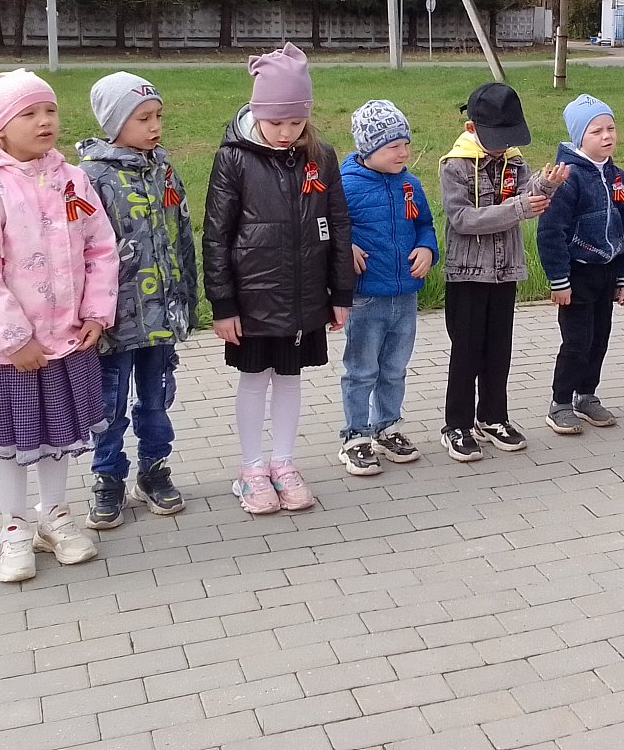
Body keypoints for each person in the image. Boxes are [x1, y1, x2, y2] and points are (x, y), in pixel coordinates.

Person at [0, 69, 119, 583]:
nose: (44, 121)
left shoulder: (73, 180)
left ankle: (55, 515)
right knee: (14, 439)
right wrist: (14, 338)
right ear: (0, 126)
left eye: (50, 111)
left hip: (67, 338)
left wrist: (96, 312)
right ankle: (14, 526)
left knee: (60, 432)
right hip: (16, 351)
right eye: (29, 113)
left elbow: (100, 246)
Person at [203, 44, 353, 514]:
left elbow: (338, 224)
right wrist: (223, 304)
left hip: (304, 294)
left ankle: (283, 463)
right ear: (257, 113)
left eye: (295, 122)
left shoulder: (321, 157)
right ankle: (251, 469)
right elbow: (216, 234)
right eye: (276, 123)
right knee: (254, 379)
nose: (286, 132)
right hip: (252, 298)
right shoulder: (233, 158)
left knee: (290, 378)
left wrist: (340, 292)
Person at [78, 73, 197, 529]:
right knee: (108, 404)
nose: (155, 126)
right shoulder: (90, 177)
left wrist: (187, 298)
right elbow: (79, 250)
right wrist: (89, 312)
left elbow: (182, 236)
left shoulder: (164, 171)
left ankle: (154, 469)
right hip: (113, 320)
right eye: (143, 118)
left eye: (158, 116)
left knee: (156, 398)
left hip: (162, 316)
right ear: (114, 122)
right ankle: (108, 476)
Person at [438, 82, 567, 462]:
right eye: (496, 139)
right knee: (466, 352)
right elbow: (462, 219)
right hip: (468, 273)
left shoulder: (515, 161)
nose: (503, 146)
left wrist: (546, 184)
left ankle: (493, 417)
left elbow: (526, 192)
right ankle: (457, 425)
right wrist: (519, 209)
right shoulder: (454, 166)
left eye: (508, 138)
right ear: (471, 129)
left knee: (499, 350)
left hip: (506, 270)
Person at [337, 100, 438, 476]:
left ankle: (388, 426)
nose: (404, 152)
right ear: (368, 148)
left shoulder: (410, 184)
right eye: (393, 146)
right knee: (361, 369)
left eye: (406, 144)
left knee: (394, 368)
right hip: (366, 297)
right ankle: (355, 435)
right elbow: (326, 227)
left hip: (405, 295)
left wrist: (427, 248)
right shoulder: (345, 185)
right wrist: (343, 248)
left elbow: (425, 224)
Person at [536, 94, 624, 434]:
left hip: (606, 272)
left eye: (611, 128)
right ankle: (560, 402)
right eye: (597, 131)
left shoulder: (618, 177)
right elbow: (550, 231)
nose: (607, 136)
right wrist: (559, 280)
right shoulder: (568, 179)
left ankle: (586, 395)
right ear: (579, 137)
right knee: (577, 342)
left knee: (599, 340)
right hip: (577, 274)